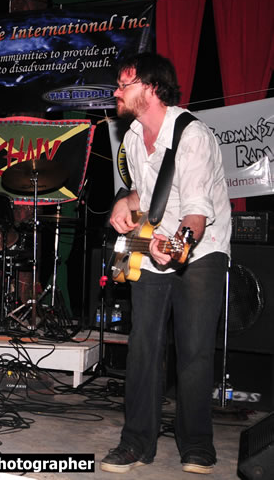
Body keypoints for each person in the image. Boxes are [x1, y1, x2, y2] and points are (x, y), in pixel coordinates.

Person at [100, 53, 231, 475]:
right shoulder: (135, 136)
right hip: (154, 247)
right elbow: (145, 193)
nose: (117, 92)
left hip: (201, 248)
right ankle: (136, 441)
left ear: (151, 89)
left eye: (125, 84)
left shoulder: (192, 136)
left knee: (192, 351)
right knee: (143, 346)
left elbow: (196, 214)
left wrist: (174, 249)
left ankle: (197, 445)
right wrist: (124, 202)